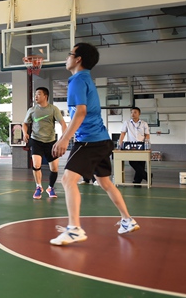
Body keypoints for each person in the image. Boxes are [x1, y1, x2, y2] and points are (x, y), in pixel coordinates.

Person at [50, 43, 139, 246]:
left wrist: (65, 138)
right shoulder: (86, 79)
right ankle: (127, 220)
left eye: (69, 54)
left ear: (78, 59)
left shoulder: (77, 80)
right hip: (103, 140)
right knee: (105, 182)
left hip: (88, 140)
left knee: (67, 180)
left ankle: (74, 229)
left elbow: (80, 112)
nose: (66, 58)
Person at [22, 87, 67, 199]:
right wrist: (25, 133)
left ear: (45, 96)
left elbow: (63, 123)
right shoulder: (32, 110)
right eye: (35, 94)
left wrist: (64, 138)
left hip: (50, 142)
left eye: (38, 94)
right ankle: (38, 187)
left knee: (54, 168)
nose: (36, 96)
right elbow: (25, 124)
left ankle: (50, 188)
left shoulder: (53, 109)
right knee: (36, 165)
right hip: (36, 140)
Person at [118, 107, 151, 186]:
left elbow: (147, 135)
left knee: (141, 163)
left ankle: (137, 181)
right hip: (131, 145)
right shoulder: (127, 123)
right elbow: (123, 133)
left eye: (135, 112)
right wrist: (120, 143)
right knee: (132, 162)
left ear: (139, 114)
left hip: (142, 145)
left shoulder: (144, 123)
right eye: (131, 112)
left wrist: (147, 144)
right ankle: (147, 176)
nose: (133, 114)